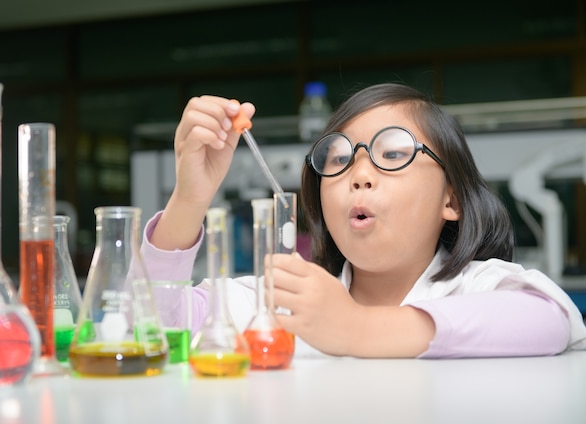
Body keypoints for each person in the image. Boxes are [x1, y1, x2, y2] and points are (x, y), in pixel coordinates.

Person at [141, 83, 586, 358]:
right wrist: (189, 198)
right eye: (337, 159)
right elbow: (156, 326)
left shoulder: (480, 286)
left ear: (451, 199)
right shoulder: (284, 300)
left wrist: (354, 327)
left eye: (393, 153)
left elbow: (548, 320)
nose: (359, 175)